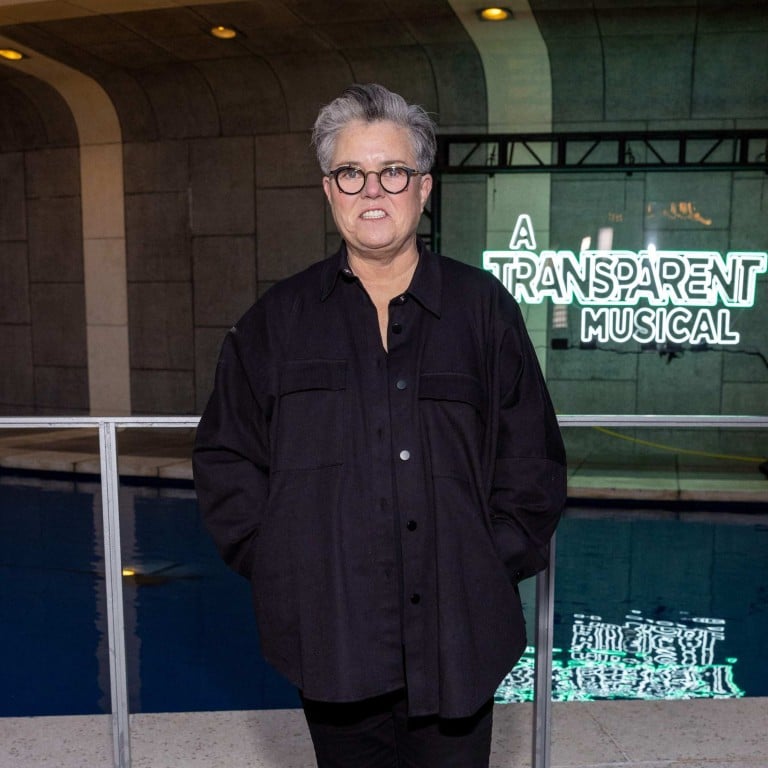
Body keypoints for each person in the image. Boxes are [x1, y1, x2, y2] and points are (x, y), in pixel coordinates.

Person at [193, 83, 567, 768]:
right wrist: (282, 563)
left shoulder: (484, 313)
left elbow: (533, 461)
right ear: (329, 189)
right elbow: (226, 459)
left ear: (423, 188)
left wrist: (488, 562)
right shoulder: (275, 323)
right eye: (351, 173)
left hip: (459, 637)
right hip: (331, 636)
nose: (374, 191)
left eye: (393, 172)